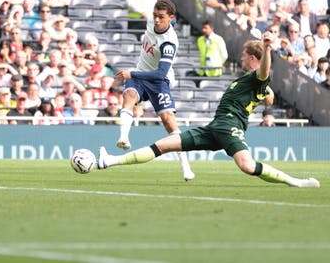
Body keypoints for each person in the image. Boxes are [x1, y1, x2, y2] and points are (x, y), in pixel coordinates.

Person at [98, 32, 320, 189]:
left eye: (244, 56)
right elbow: (269, 98)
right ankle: (110, 161)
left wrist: (268, 48)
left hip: (230, 126)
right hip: (215, 128)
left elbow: (264, 74)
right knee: (163, 145)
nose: (240, 58)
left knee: (247, 165)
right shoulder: (252, 82)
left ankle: (297, 182)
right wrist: (264, 91)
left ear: (253, 58)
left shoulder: (257, 77)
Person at [113, 0, 194, 181]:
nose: (156, 20)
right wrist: (135, 74)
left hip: (158, 81)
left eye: (161, 17)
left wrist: (131, 73)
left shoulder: (169, 43)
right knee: (129, 96)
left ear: (170, 17)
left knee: (168, 120)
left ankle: (186, 167)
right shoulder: (153, 20)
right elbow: (165, 18)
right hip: (141, 73)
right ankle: (124, 138)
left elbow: (159, 74)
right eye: (155, 15)